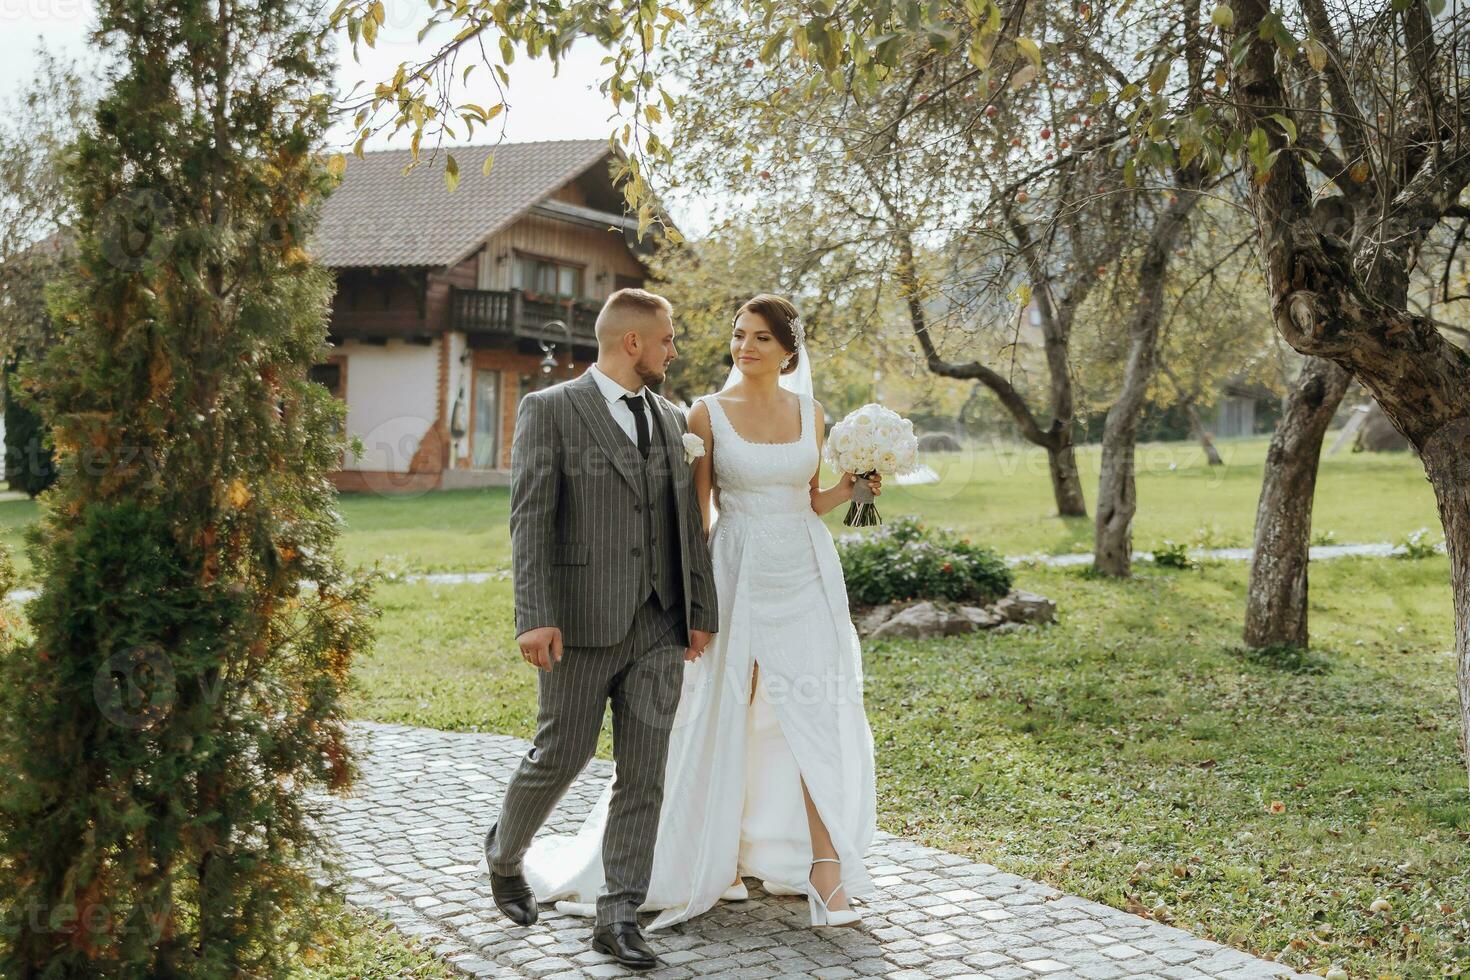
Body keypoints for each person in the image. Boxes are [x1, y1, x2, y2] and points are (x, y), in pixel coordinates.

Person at [521, 293, 880, 939]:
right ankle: (721, 857)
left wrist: (856, 485)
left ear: (788, 349)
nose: (745, 346)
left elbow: (806, 498)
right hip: (736, 569)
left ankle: (826, 866)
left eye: (761, 338)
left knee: (811, 712)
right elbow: (696, 517)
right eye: (739, 334)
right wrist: (693, 602)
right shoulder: (704, 415)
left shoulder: (813, 413)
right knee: (723, 711)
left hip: (804, 571)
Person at [481, 287, 719, 971]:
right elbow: (529, 518)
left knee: (644, 772)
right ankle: (505, 852)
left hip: (659, 621)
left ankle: (618, 914)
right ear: (634, 342)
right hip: (579, 619)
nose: (675, 351)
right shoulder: (550, 410)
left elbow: (689, 529)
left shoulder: (676, 420)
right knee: (563, 751)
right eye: (668, 338)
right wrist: (535, 614)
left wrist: (698, 612)